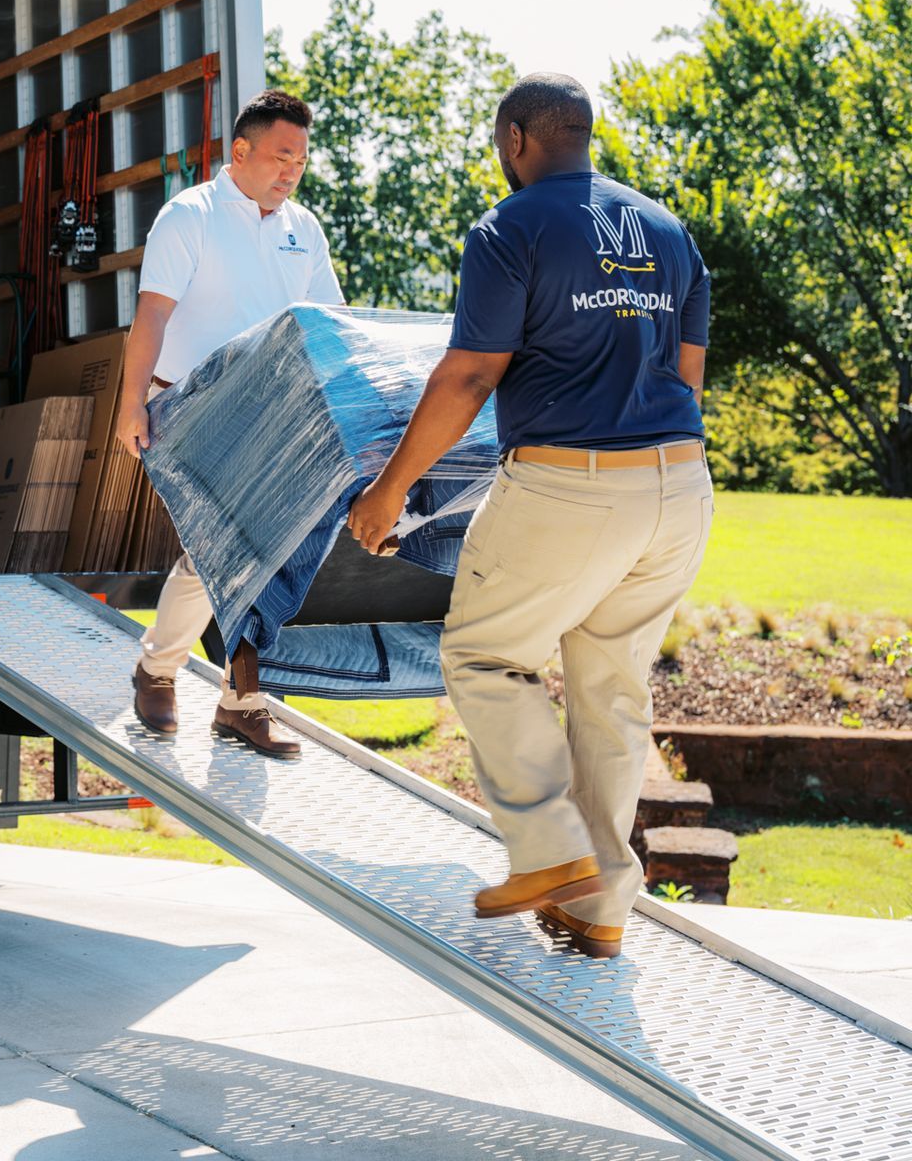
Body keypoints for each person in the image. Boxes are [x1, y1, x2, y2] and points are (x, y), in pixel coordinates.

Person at [347, 72, 712, 959]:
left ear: (515, 139)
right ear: (583, 135)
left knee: (482, 656)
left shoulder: (509, 228)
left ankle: (553, 857)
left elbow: (469, 375)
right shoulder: (668, 232)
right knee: (611, 690)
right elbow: (687, 373)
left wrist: (391, 488)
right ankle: (598, 908)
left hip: (570, 484)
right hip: (679, 486)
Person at [115, 89, 345, 757]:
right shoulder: (190, 217)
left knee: (254, 552)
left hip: (276, 410)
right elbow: (152, 315)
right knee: (222, 546)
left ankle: (220, 693)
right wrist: (132, 404)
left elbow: (329, 322)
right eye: (280, 156)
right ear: (240, 151)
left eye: (300, 160)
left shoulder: (304, 228)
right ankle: (182, 679)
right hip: (191, 406)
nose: (291, 171)